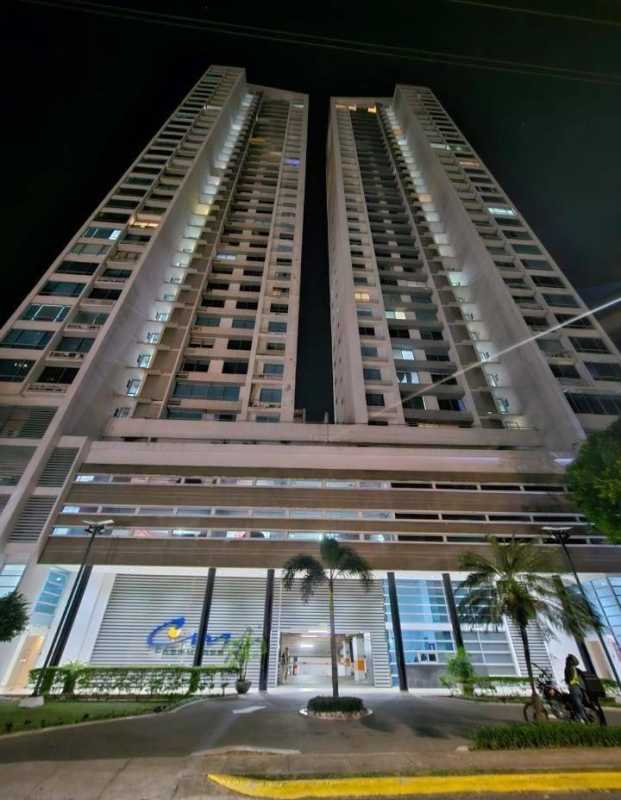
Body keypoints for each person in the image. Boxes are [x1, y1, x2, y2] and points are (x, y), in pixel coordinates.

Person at [564, 654, 587, 722]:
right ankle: (579, 717)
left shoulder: (569, 668)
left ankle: (581, 716)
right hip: (580, 687)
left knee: (577, 703)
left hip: (575, 687)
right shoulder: (575, 668)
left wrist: (569, 682)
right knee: (577, 702)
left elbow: (570, 679)